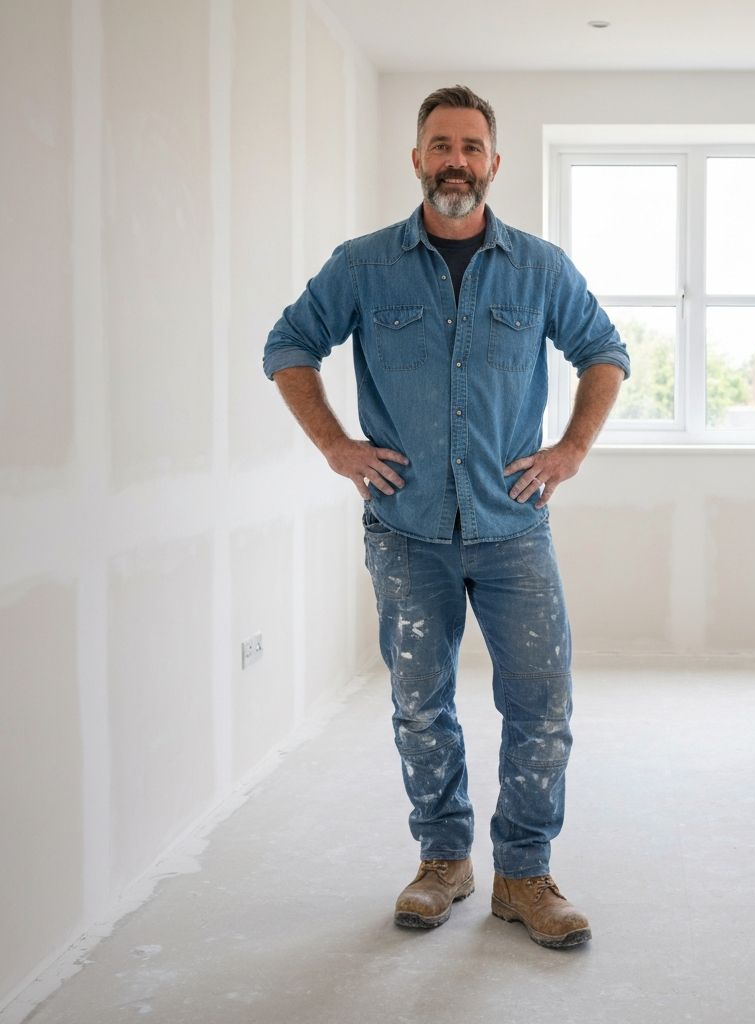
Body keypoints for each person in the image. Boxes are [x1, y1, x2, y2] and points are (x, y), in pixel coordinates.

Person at [263, 85, 629, 950]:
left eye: (471, 146)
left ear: (494, 163)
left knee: (540, 707)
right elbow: (288, 347)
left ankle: (525, 875)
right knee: (420, 706)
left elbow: (604, 353)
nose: (455, 160)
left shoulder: (540, 267)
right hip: (406, 533)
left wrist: (572, 448)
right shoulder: (362, 265)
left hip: (514, 531)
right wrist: (335, 447)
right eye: (440, 144)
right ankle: (444, 862)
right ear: (417, 159)